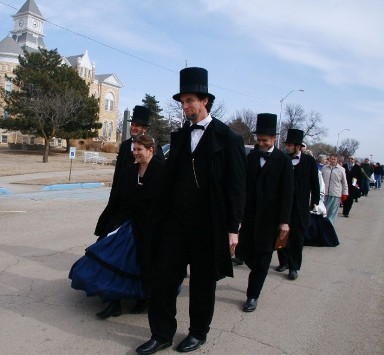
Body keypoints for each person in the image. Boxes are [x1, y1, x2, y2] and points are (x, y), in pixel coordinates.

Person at [136, 67, 247, 354]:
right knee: (163, 278)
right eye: (182, 102)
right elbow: (169, 178)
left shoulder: (228, 138)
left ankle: (198, 332)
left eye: (189, 101)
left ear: (205, 101)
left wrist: (233, 228)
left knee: (202, 283)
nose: (185, 107)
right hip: (176, 222)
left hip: (209, 224)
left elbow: (236, 187)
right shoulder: (181, 136)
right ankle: (161, 334)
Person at [69, 135, 164, 318]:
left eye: (139, 150)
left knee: (143, 264)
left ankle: (143, 299)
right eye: (134, 150)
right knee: (113, 258)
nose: (135, 153)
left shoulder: (163, 171)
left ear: (150, 150)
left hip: (151, 226)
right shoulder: (129, 171)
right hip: (127, 223)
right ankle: (114, 303)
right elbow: (120, 198)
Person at [239, 113, 294, 312]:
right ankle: (257, 273)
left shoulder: (283, 161)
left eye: (265, 140)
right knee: (245, 252)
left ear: (273, 139)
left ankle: (252, 295)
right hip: (250, 216)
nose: (260, 143)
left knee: (262, 258)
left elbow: (288, 193)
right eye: (259, 139)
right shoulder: (251, 157)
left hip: (270, 220)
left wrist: (284, 221)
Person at [276, 129, 320, 280]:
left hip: (300, 206)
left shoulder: (309, 161)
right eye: (286, 144)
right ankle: (283, 261)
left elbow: (315, 183)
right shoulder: (282, 159)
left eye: (289, 145)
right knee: (281, 234)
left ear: (298, 147)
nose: (287, 147)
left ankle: (294, 267)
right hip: (283, 204)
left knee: (297, 238)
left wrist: (315, 201)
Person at [112, 105, 164, 188]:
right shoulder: (125, 146)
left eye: (137, 125)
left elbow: (161, 174)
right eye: (132, 124)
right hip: (124, 194)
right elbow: (117, 174)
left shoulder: (154, 147)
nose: (133, 127)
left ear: (145, 129)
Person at [321, 154, 348, 225]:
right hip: (325, 193)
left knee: (332, 212)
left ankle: (330, 226)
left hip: (335, 194)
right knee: (324, 211)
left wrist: (345, 193)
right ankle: (323, 225)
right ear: (329, 159)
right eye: (331, 159)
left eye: (334, 159)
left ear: (337, 160)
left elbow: (344, 182)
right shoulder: (324, 168)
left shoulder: (341, 169)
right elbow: (320, 180)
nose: (332, 160)